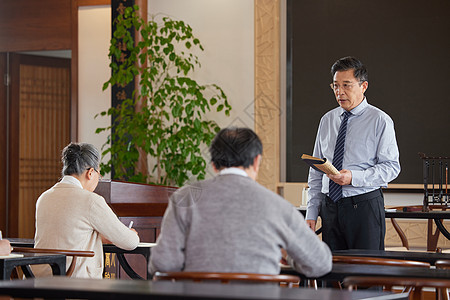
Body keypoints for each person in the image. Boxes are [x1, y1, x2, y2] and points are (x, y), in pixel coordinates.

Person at [149, 127, 332, 277]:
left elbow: (162, 263)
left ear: (213, 164)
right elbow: (320, 263)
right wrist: (287, 254)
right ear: (256, 161)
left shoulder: (185, 198)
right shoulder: (278, 205)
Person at [305, 56, 400, 250]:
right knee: (331, 274)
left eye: (346, 85)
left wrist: (353, 177)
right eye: (335, 86)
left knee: (367, 274)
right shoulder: (327, 120)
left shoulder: (380, 120)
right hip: (330, 206)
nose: (340, 92)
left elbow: (392, 167)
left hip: (363, 206)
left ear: (363, 86)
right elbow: (316, 170)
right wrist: (311, 213)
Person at [34, 142, 140, 278]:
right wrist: (131, 233)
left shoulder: (44, 197)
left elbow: (67, 235)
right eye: (98, 174)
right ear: (90, 173)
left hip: (38, 282)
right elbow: (129, 242)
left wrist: (97, 237)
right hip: (75, 284)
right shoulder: (91, 201)